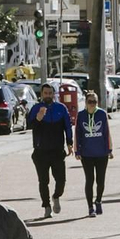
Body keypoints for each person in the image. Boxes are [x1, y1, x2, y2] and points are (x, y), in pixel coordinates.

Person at [27, 83, 73, 218]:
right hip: (41, 151)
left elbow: (68, 126)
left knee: (61, 180)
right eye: (45, 93)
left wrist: (69, 143)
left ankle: (56, 196)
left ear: (54, 94)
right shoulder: (36, 108)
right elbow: (29, 125)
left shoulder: (61, 108)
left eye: (50, 93)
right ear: (41, 95)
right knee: (43, 181)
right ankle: (46, 206)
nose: (47, 96)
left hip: (57, 150)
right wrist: (38, 119)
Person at [73, 91, 113, 217]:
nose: (92, 104)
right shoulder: (81, 115)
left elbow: (107, 132)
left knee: (101, 180)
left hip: (101, 153)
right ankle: (90, 207)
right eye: (90, 102)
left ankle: (99, 200)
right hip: (87, 154)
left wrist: (109, 149)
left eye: (95, 102)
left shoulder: (102, 114)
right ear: (85, 102)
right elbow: (77, 133)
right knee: (89, 180)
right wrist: (77, 151)